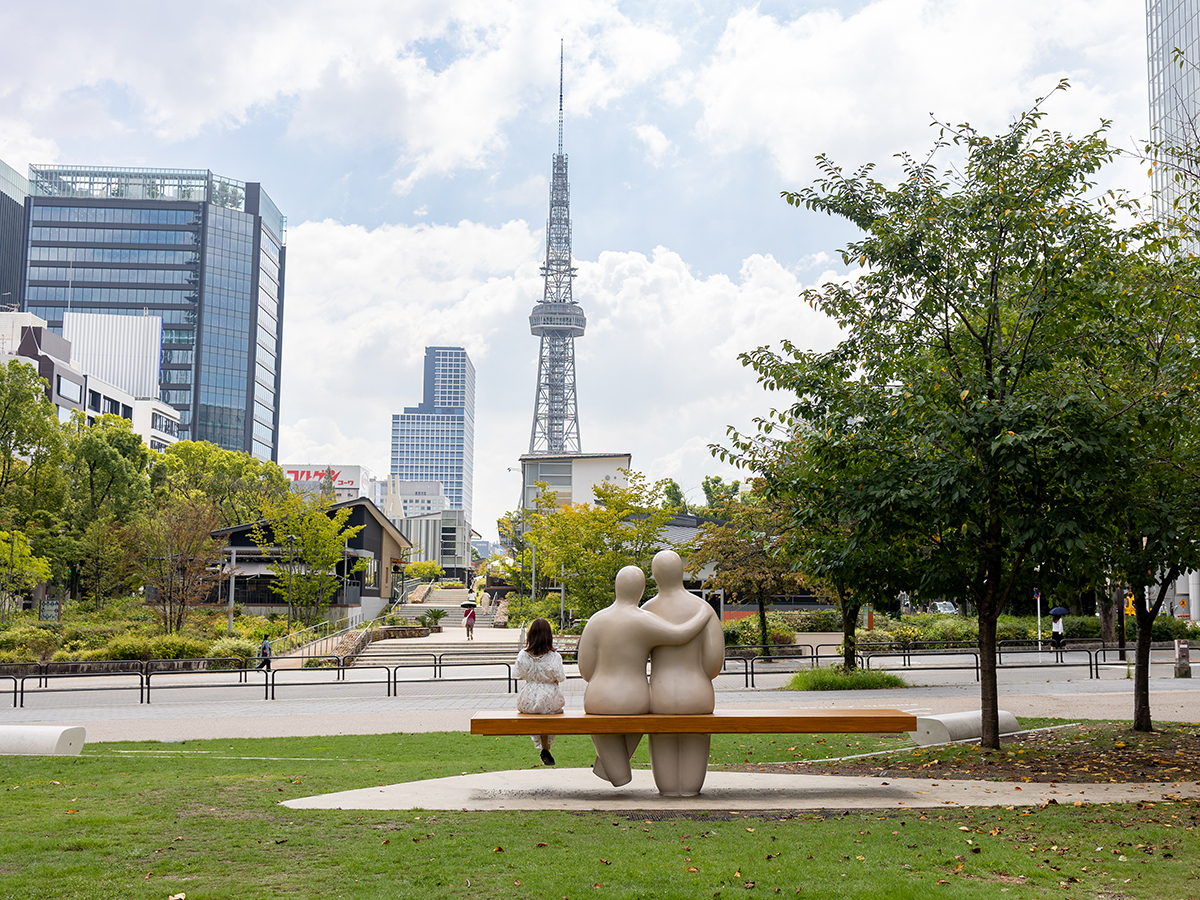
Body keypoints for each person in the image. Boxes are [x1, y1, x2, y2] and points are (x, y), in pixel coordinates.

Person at [577, 565, 713, 786]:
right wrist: (703, 614)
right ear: (641, 591)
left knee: (615, 763)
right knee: (639, 716)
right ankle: (617, 773)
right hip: (635, 699)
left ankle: (616, 773)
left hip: (597, 697)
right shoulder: (643, 619)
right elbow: (679, 635)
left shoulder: (596, 620)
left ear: (616, 587)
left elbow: (585, 669)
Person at [643, 550, 725, 796]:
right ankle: (690, 788)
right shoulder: (704, 609)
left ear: (655, 575)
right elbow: (713, 665)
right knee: (695, 738)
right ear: (682, 572)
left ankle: (668, 788)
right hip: (697, 692)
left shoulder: (646, 611)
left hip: (660, 694)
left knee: (662, 739)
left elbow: (635, 660)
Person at [515, 618, 565, 765]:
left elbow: (518, 674)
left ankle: (544, 747)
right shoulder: (554, 656)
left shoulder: (523, 654)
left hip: (528, 696)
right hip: (549, 694)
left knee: (536, 711)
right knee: (549, 711)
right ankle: (546, 747)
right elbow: (559, 678)